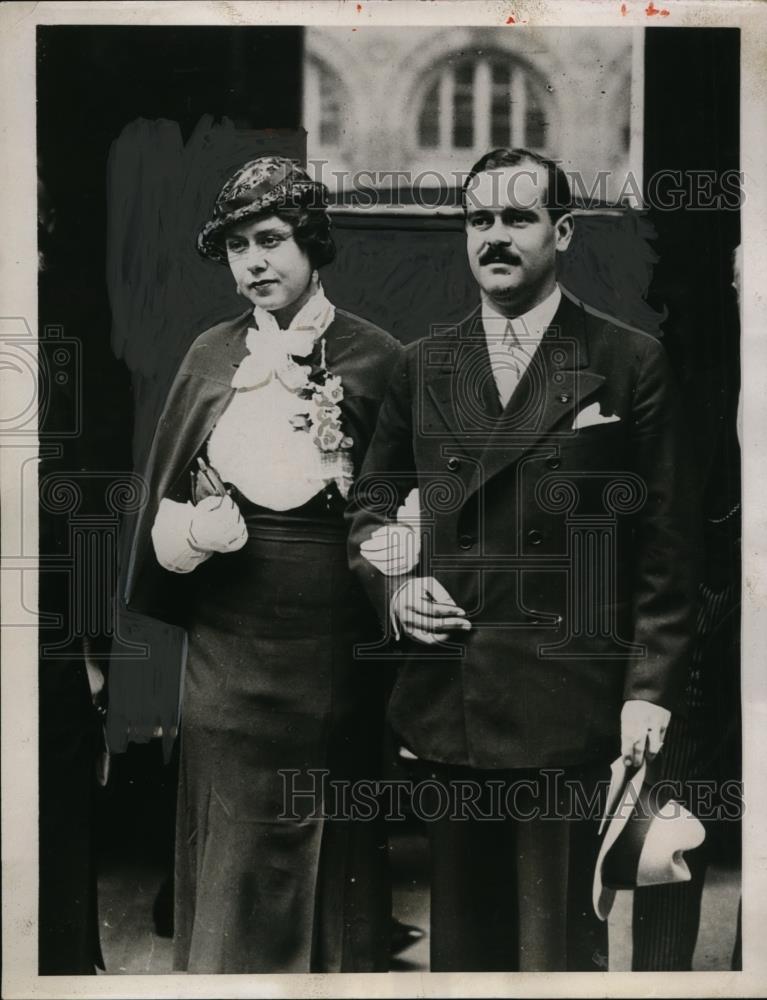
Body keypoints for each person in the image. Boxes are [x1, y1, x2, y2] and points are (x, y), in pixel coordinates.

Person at [347, 147, 701, 971]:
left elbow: (667, 551)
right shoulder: (422, 363)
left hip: (569, 704)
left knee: (556, 956)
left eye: (517, 218)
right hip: (453, 698)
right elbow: (369, 507)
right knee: (465, 955)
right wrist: (395, 584)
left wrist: (648, 691)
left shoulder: (627, 360)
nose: (495, 238)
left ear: (563, 230)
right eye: (478, 220)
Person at [124, 156, 401, 973]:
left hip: (327, 638)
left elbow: (399, 502)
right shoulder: (211, 354)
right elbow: (164, 506)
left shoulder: (376, 355)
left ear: (312, 243)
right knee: (233, 831)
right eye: (239, 245)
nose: (255, 262)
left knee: (323, 828)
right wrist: (195, 527)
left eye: (272, 239)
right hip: (226, 638)